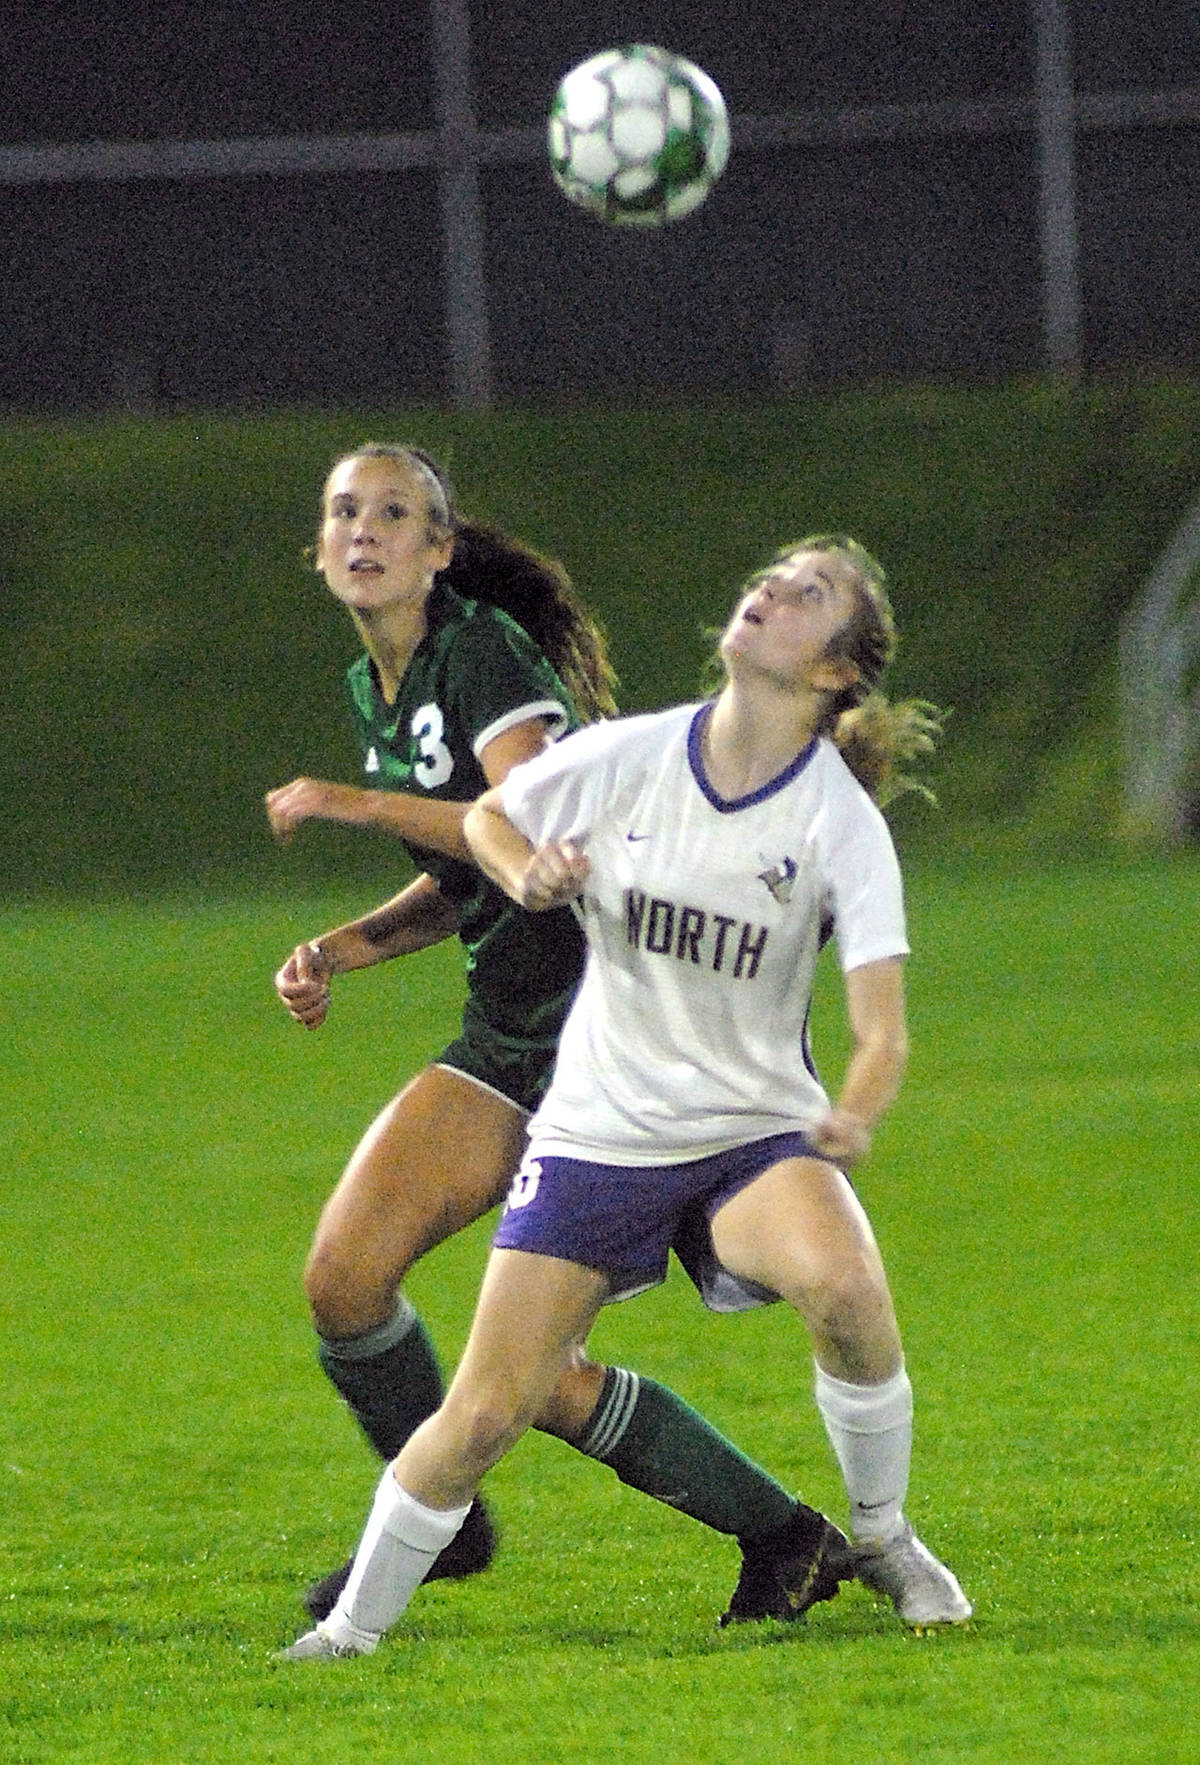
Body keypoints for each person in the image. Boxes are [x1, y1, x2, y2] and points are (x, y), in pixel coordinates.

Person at [280, 532, 972, 1662]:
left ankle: (884, 1535)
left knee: (845, 1280)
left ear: (838, 669)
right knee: (488, 1405)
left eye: (804, 593)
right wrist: (519, 868)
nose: (767, 591)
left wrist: (856, 1102)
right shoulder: (641, 754)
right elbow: (492, 823)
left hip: (751, 1133)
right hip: (597, 1130)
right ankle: (354, 1632)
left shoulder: (836, 819)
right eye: (768, 576)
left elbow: (884, 1018)